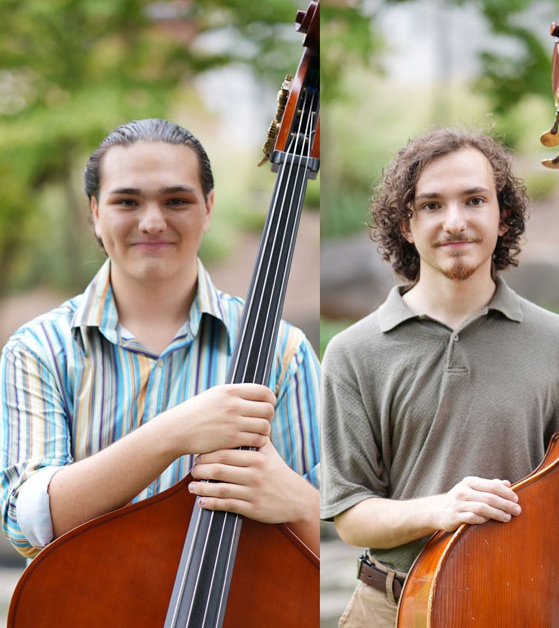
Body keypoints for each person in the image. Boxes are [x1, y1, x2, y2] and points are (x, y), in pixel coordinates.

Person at [319, 128, 559, 626]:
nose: (455, 222)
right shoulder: (353, 352)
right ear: (405, 225)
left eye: (474, 200)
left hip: (524, 603)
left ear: (502, 215)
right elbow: (350, 515)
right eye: (430, 205)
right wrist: (440, 509)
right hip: (389, 609)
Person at [0, 119, 322, 561]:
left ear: (208, 208)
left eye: (176, 200)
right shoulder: (38, 349)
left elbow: (329, 542)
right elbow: (30, 520)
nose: (152, 222)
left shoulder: (284, 352)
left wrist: (302, 502)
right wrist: (176, 432)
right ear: (95, 212)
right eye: (127, 201)